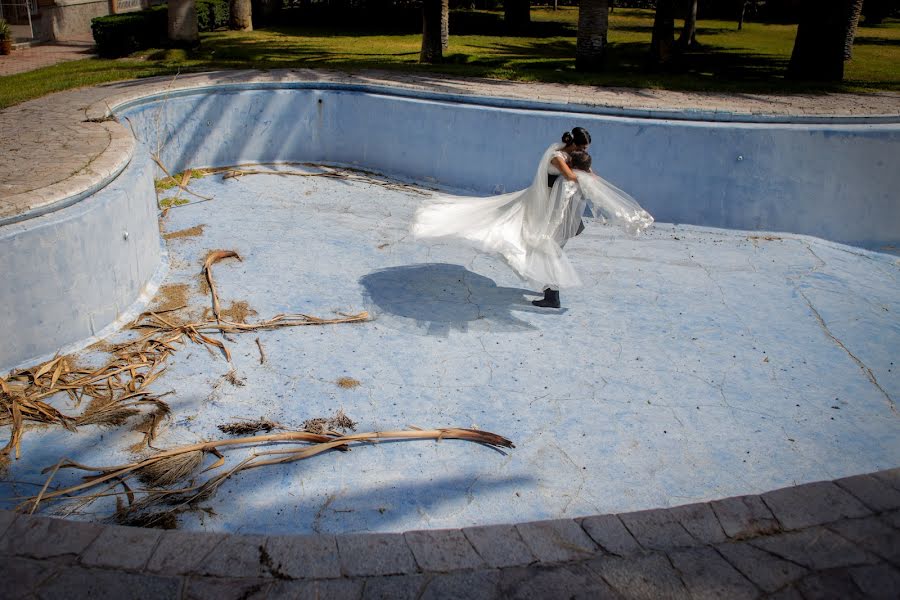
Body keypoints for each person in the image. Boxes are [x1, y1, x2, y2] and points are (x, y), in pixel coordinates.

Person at [411, 128, 652, 310]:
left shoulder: (576, 158)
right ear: (574, 145)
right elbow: (570, 176)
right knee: (526, 238)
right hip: (540, 204)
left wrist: (593, 177)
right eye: (584, 148)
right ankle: (551, 293)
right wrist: (586, 175)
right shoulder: (558, 157)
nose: (586, 152)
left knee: (547, 246)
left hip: (556, 207)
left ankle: (551, 293)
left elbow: (587, 174)